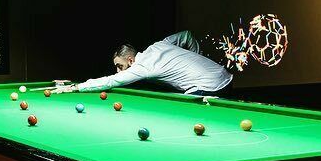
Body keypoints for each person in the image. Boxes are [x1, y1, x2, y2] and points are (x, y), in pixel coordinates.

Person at [54, 31, 232, 96]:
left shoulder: (142, 67)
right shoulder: (158, 45)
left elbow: (110, 81)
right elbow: (186, 35)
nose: (118, 71)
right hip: (225, 76)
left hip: (208, 87)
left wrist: (77, 87)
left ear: (130, 60)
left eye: (120, 66)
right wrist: (196, 58)